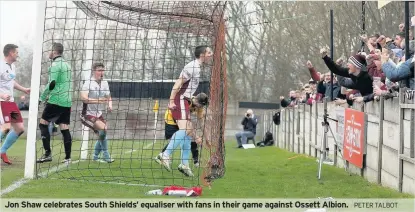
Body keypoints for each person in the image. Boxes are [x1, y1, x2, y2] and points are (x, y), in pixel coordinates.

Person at [155, 45, 213, 176]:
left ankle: (184, 164)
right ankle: (165, 155)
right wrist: (171, 101)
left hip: (185, 101)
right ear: (202, 54)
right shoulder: (192, 66)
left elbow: (201, 119)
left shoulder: (197, 67)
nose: (211, 54)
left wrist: (207, 138)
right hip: (180, 99)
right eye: (209, 52)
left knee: (188, 131)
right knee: (186, 130)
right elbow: (178, 83)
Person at [37, 42, 73, 164]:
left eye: (49, 50)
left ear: (54, 51)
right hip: (67, 101)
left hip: (56, 100)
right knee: (64, 127)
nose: (48, 52)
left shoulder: (55, 65)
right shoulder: (67, 65)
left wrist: (42, 97)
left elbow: (52, 83)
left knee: (42, 124)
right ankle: (68, 158)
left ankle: (47, 154)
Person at [155, 93, 209, 169]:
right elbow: (188, 126)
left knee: (189, 137)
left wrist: (207, 138)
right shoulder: (185, 102)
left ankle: (186, 164)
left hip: (181, 118)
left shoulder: (199, 107)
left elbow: (202, 123)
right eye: (201, 105)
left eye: (202, 106)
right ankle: (164, 155)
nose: (201, 107)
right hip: (171, 118)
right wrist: (197, 137)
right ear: (196, 100)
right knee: (183, 136)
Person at [0, 44, 31, 164]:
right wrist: (2, 95)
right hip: (2, 102)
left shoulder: (12, 66)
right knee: (6, 128)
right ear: (11, 53)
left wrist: (24, 89)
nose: (18, 54)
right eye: (16, 52)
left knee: (19, 128)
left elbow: (11, 82)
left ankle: (2, 151)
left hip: (10, 103)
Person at [79, 63, 114, 163]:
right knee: (103, 129)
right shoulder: (88, 83)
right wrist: (98, 100)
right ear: (94, 71)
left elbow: (108, 97)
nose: (101, 72)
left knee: (103, 133)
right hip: (86, 115)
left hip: (98, 114)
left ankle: (95, 156)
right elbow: (84, 98)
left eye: (103, 70)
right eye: (99, 70)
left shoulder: (105, 83)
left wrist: (110, 105)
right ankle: (106, 156)